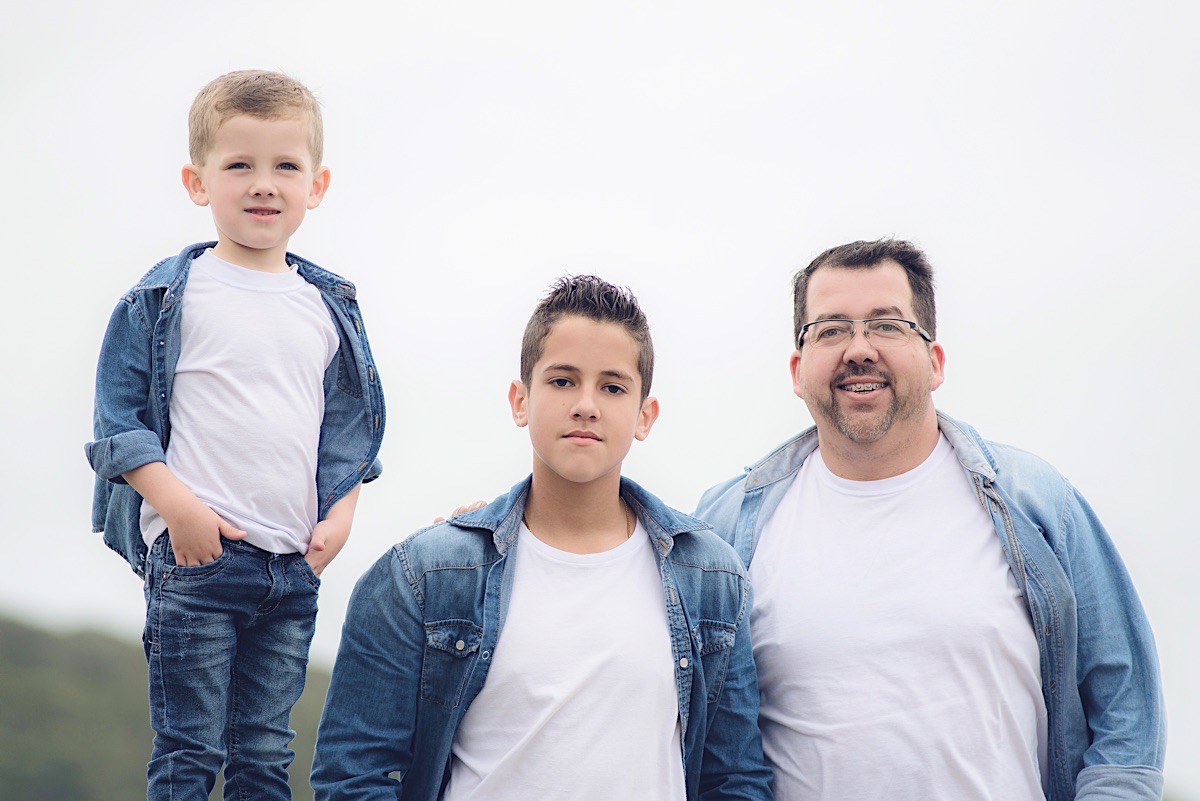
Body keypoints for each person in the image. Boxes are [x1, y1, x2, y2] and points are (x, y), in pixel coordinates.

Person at [695, 238, 1165, 801]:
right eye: (831, 329)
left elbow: (1125, 724)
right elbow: (707, 751)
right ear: (798, 370)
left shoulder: (1037, 503)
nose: (859, 349)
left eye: (888, 325)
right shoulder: (724, 531)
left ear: (935, 362)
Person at [311, 275, 771, 800]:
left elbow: (735, 780)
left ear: (645, 416)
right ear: (520, 401)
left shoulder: (712, 578)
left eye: (613, 387)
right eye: (562, 381)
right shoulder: (423, 576)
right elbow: (353, 775)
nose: (586, 405)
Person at [84, 70, 385, 800]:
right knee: (189, 751)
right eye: (239, 165)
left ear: (316, 185)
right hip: (198, 559)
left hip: (292, 567)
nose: (264, 184)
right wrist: (179, 510)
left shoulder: (326, 307)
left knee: (264, 755)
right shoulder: (167, 297)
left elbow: (350, 431)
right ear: (198, 182)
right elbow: (117, 423)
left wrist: (341, 516)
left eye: (286, 166)